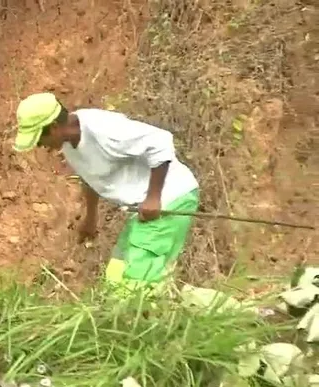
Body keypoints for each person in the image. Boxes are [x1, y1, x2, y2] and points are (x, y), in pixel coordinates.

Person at [12, 92, 200, 293]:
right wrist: (91, 218)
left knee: (135, 288)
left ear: (55, 128)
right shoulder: (69, 144)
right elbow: (91, 179)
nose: (40, 145)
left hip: (169, 199)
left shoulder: (103, 129)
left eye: (40, 138)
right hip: (144, 210)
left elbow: (160, 141)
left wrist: (153, 197)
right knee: (116, 274)